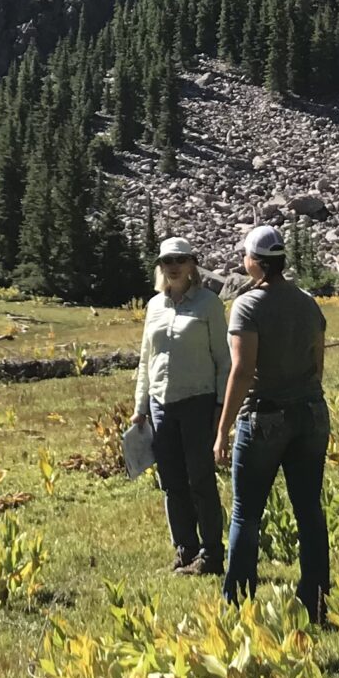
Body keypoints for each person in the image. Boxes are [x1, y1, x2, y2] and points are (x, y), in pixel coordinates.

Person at [212, 223, 331, 617]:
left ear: (256, 263)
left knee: (247, 512)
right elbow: (318, 363)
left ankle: (238, 604)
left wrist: (224, 428)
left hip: (264, 417)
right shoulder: (307, 302)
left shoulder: (247, 306)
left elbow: (242, 371)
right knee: (309, 510)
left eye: (245, 255)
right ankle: (315, 601)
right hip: (312, 413)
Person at [131, 236, 229, 574]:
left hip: (198, 402)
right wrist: (140, 405)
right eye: (166, 261)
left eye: (180, 260)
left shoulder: (209, 304)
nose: (173, 266)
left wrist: (220, 406)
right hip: (160, 404)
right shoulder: (154, 306)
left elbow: (223, 361)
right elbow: (146, 359)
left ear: (192, 265)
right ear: (160, 267)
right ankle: (185, 550)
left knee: (200, 479)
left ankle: (212, 554)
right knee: (171, 481)